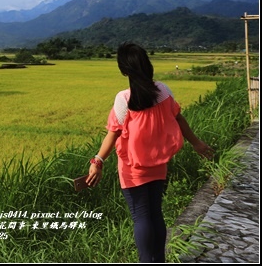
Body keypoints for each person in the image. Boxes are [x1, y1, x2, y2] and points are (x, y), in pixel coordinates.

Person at [86, 42, 213, 263]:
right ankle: (158, 260)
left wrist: (97, 160)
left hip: (133, 168)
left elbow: (113, 134)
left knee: (141, 217)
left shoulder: (124, 99)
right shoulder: (163, 91)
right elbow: (179, 119)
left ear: (124, 70)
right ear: (147, 64)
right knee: (155, 213)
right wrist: (197, 144)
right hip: (159, 164)